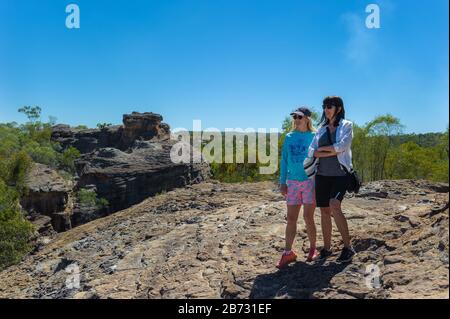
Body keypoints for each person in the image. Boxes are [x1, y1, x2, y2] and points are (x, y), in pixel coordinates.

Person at [308, 96, 356, 263]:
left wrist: (323, 150)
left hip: (340, 174)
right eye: (324, 106)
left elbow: (342, 147)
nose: (326, 109)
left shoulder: (347, 126)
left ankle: (348, 248)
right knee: (324, 211)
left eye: (330, 106)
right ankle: (327, 249)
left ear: (339, 108)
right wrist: (329, 151)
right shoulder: (320, 129)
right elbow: (312, 151)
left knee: (335, 206)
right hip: (322, 175)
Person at [277, 107, 319, 269]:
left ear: (307, 118)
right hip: (292, 182)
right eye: (294, 116)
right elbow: (284, 160)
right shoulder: (289, 137)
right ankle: (288, 253)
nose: (296, 119)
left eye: (299, 116)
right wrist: (282, 182)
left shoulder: (315, 136)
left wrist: (317, 184)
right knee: (291, 219)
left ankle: (313, 249)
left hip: (310, 182)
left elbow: (318, 161)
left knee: (308, 218)